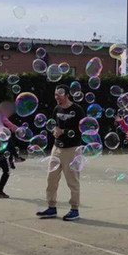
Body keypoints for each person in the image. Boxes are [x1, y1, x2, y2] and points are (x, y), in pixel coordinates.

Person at [37, 85, 85, 221]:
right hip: (57, 148)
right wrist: (55, 131)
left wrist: (64, 131)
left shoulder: (77, 110)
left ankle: (74, 209)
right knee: (51, 178)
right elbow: (55, 125)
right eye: (55, 94)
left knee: (72, 181)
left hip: (72, 149)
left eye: (59, 94)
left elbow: (83, 129)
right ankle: (51, 207)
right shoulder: (56, 109)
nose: (56, 97)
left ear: (67, 95)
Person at [0, 100, 25, 168]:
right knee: (10, 147)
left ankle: (12, 161)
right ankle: (14, 159)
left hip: (0, 135)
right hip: (2, 135)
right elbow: (9, 124)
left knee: (9, 148)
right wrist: (18, 129)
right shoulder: (1, 116)